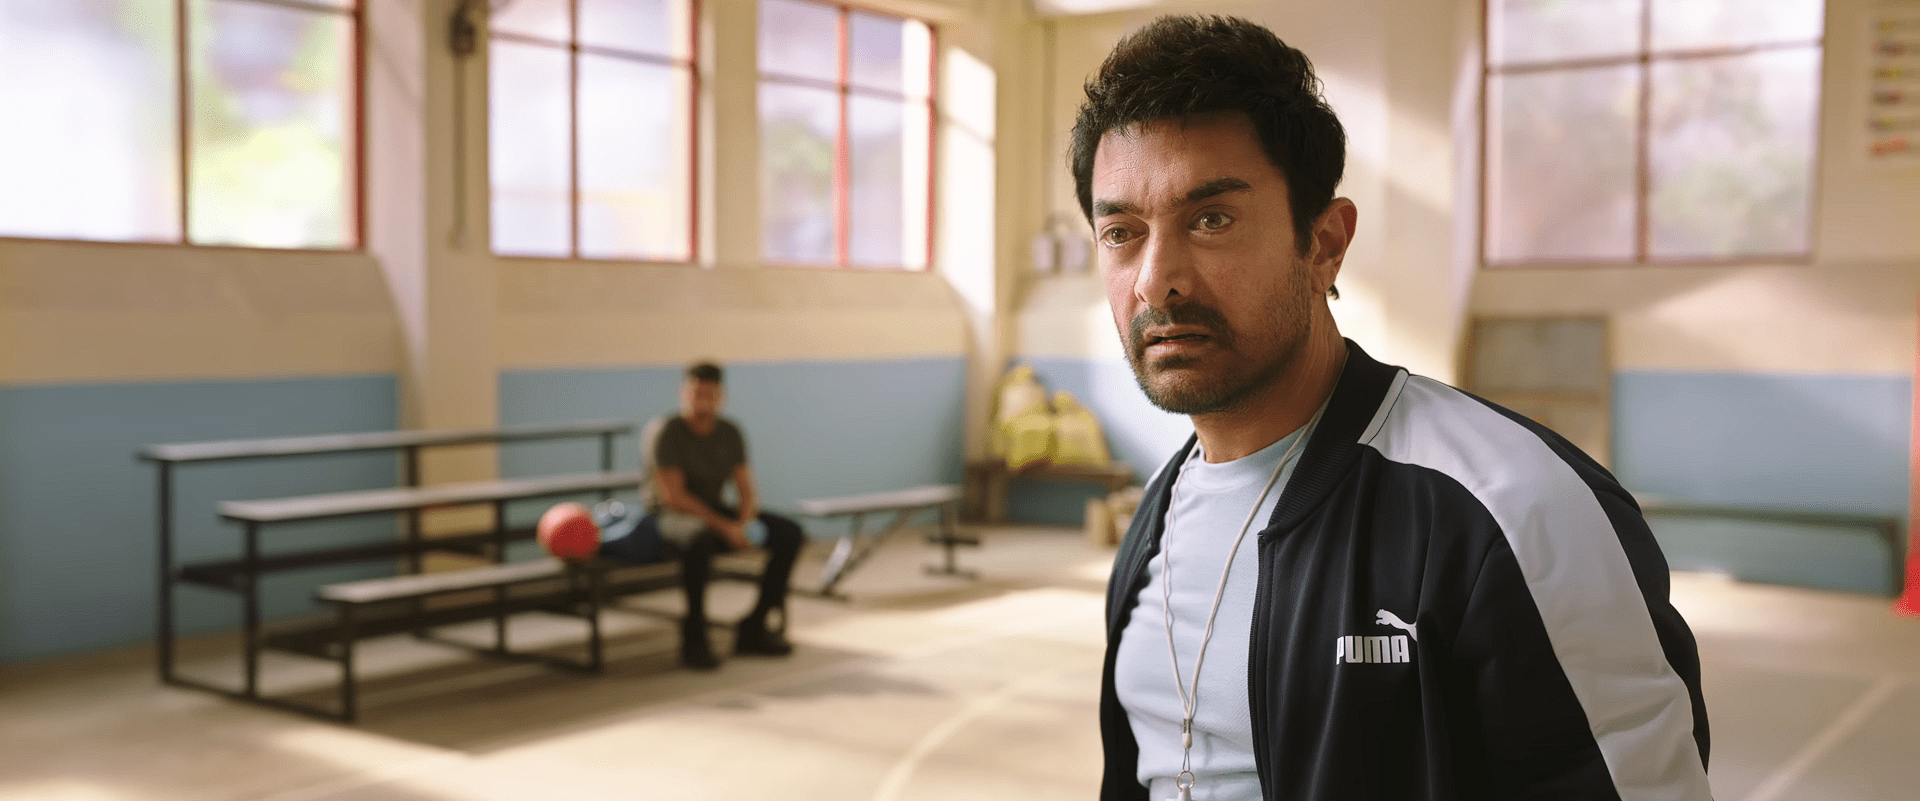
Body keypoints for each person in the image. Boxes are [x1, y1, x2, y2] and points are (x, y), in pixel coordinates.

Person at [1072, 15, 1710, 801]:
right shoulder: (1159, 514)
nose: (1155, 280)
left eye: (1212, 220)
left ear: (1324, 245)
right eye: (1122, 232)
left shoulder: (1517, 513)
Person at [612, 361, 804, 670]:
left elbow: (745, 488)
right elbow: (674, 496)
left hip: (714, 509)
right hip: (667, 516)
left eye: (709, 394)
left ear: (721, 396)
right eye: (696, 393)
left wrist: (745, 522)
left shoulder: (729, 431)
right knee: (698, 539)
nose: (702, 401)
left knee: (788, 533)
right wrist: (726, 527)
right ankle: (695, 635)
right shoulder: (665, 431)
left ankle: (755, 625)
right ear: (684, 393)